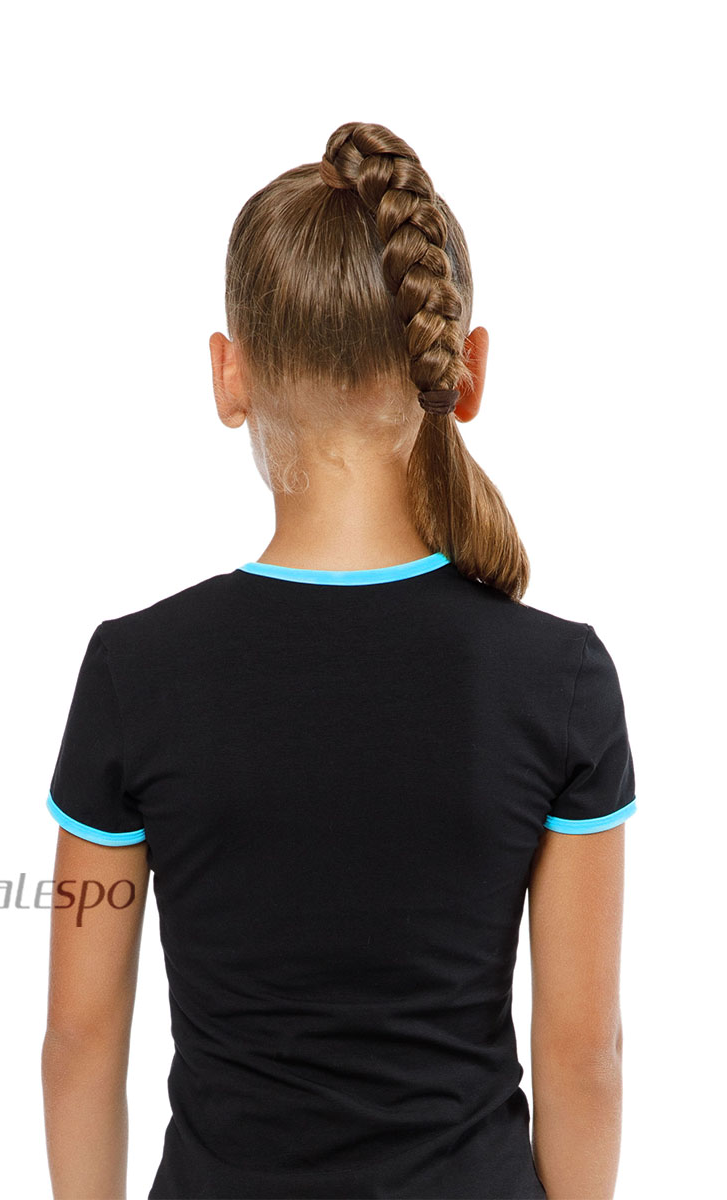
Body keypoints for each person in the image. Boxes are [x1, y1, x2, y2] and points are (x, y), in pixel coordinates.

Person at [41, 121, 637, 1200]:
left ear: (229, 375)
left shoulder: (136, 672)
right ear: (465, 370)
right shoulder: (559, 680)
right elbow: (583, 1056)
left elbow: (80, 1043)